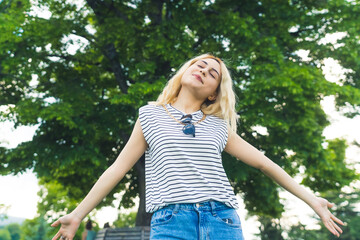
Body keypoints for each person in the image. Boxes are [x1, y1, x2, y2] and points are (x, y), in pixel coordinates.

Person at [51, 53, 344, 240]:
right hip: (171, 221)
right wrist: (77, 214)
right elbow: (117, 168)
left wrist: (312, 200)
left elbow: (265, 163)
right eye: (199, 64)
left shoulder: (218, 127)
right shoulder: (150, 114)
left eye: (212, 73)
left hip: (221, 220)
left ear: (214, 94)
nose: (203, 70)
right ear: (185, 71)